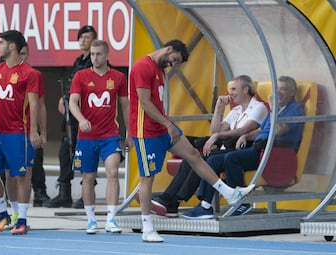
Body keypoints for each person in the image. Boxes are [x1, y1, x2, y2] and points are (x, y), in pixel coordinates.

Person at [129, 39, 255, 242]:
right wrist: (168, 124)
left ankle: (228, 193)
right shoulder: (143, 66)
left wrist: (167, 124)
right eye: (175, 59)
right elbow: (144, 103)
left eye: (177, 63)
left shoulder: (160, 71)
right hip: (146, 131)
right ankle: (147, 227)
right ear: (169, 49)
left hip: (162, 127)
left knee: (194, 154)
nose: (174, 64)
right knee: (148, 178)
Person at [185, 75, 304, 218]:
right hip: (258, 149)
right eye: (276, 88)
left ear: (292, 92)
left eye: (283, 89)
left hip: (275, 154)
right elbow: (261, 130)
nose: (278, 92)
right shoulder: (276, 109)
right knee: (212, 160)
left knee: (231, 158)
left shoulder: (295, 109)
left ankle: (242, 203)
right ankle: (205, 205)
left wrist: (272, 108)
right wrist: (246, 136)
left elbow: (277, 130)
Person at [152, 75, 268, 218]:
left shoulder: (259, 107)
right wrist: (219, 109)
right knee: (192, 156)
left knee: (202, 158)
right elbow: (214, 131)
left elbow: (243, 130)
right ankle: (170, 200)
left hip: (244, 148)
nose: (230, 93)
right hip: (229, 146)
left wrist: (218, 136)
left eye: (233, 89)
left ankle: (180, 201)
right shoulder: (236, 110)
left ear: (245, 89)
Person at [0, 30, 41, 234]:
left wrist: (33, 132)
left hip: (18, 134)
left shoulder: (31, 74)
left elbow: (35, 105)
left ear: (12, 46)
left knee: (20, 176)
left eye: (1, 43)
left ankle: (21, 219)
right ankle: (3, 214)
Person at [69, 39, 131, 234]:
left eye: (98, 54)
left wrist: (128, 134)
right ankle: (91, 219)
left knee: (112, 172)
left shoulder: (119, 77)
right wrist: (81, 119)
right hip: (86, 137)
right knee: (88, 178)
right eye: (93, 54)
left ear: (107, 56)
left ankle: (111, 218)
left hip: (110, 136)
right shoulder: (81, 76)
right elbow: (72, 103)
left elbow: (125, 106)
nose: (95, 58)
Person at [44, 25, 97, 208]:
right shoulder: (78, 61)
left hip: (86, 115)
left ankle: (86, 193)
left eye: (87, 37)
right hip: (71, 115)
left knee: (84, 151)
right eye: (80, 37)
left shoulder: (94, 61)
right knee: (65, 151)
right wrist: (64, 98)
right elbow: (72, 84)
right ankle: (64, 192)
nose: (83, 40)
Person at [4, 43, 49, 230]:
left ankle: (22, 216)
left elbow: (41, 106)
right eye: (18, 53)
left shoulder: (33, 76)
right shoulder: (4, 72)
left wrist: (42, 132)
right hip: (8, 132)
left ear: (28, 53)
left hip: (27, 133)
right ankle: (14, 212)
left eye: (24, 53)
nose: (20, 57)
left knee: (25, 174)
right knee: (9, 174)